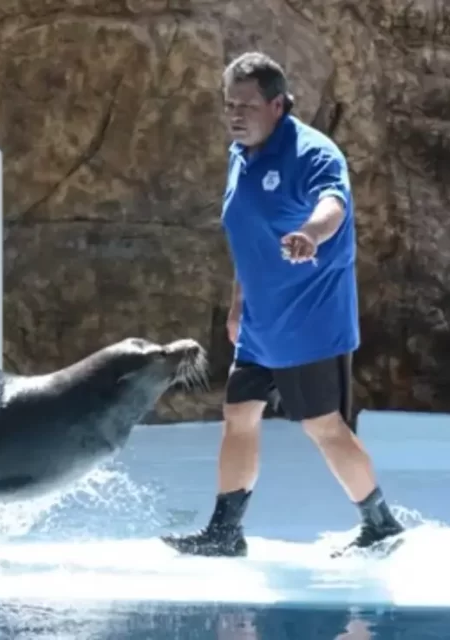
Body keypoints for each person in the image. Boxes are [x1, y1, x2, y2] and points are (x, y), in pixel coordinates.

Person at [161, 52, 405, 558]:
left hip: (311, 318)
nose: (235, 114)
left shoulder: (313, 154)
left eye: (247, 105)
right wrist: (237, 305)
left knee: (322, 426)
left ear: (278, 105)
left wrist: (310, 235)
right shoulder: (240, 154)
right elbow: (246, 237)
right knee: (238, 412)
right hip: (261, 319)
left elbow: (333, 203)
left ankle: (380, 524)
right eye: (229, 104)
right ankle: (226, 532)